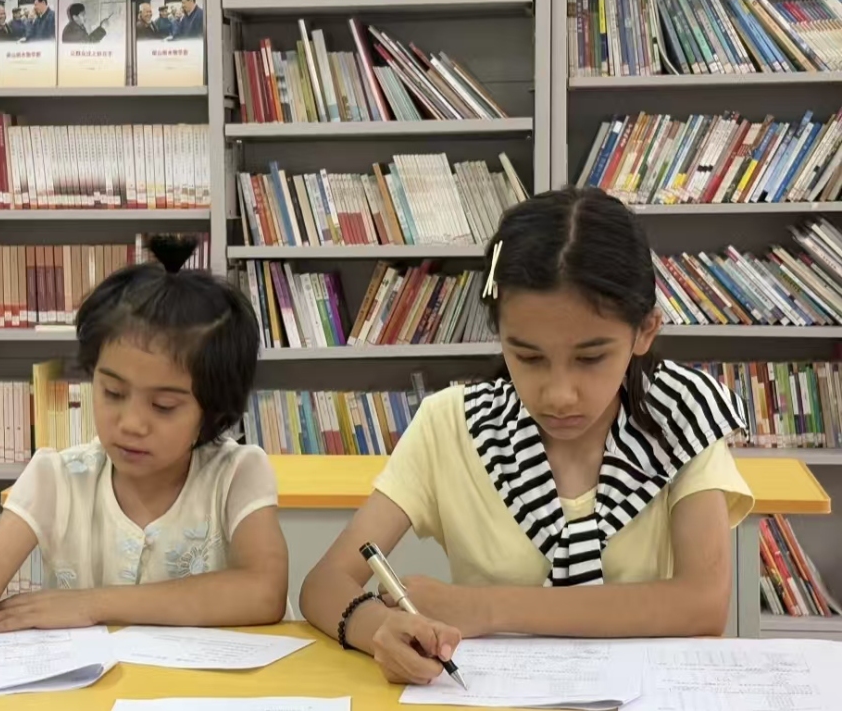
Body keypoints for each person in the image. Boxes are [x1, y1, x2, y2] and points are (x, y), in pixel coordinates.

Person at [299, 187, 755, 686]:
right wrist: (379, 630)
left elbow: (702, 603)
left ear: (645, 330)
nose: (559, 395)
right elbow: (324, 583)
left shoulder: (682, 416)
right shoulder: (451, 424)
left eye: (591, 357)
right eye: (529, 357)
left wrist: (486, 607)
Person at [0, 236, 289, 685]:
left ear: (214, 410)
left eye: (163, 406)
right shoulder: (57, 477)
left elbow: (263, 591)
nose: (131, 423)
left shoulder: (237, 474)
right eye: (113, 392)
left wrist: (92, 603)